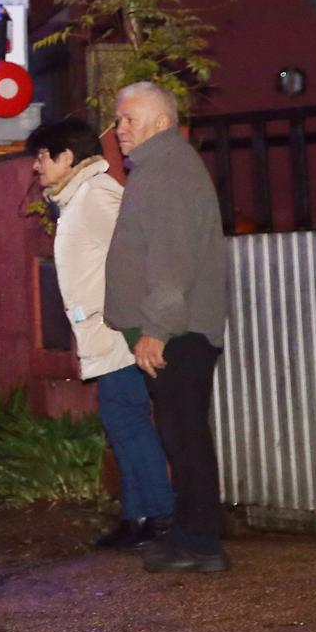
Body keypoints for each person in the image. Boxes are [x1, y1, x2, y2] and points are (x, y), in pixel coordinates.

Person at [27, 117, 174, 549]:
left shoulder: (96, 196)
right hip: (110, 333)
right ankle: (139, 516)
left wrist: (140, 326)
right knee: (122, 423)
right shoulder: (81, 197)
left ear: (66, 157)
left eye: (41, 156)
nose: (36, 167)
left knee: (128, 423)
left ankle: (158, 515)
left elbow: (138, 254)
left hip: (119, 335)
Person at [105, 82, 230, 574]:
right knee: (182, 435)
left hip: (179, 334)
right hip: (180, 331)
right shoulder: (164, 168)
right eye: (118, 122)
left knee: (184, 437)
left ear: (160, 122)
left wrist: (156, 329)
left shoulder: (165, 172)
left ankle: (200, 543)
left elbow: (170, 261)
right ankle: (190, 536)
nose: (120, 131)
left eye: (129, 120)